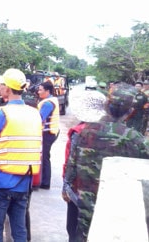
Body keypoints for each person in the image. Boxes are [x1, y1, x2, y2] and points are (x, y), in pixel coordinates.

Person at [63, 83, 149, 241]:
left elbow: (71, 165)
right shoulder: (136, 140)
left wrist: (66, 187)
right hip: (115, 211)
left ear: (106, 106)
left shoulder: (86, 131)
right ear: (130, 112)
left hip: (84, 207)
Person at [0, 68, 42, 242]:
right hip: (24, 183)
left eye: (1, 85)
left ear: (8, 89)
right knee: (19, 231)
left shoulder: (0, 114)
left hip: (1, 183)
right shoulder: (35, 114)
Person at [62, 90, 106, 242]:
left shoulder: (79, 132)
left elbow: (70, 162)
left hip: (79, 189)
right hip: (101, 189)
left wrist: (65, 186)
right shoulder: (109, 130)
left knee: (74, 229)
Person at [36, 81, 60, 190]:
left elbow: (39, 118)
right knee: (45, 156)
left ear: (47, 91)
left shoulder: (48, 103)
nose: (38, 92)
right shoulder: (50, 100)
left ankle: (45, 183)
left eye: (40, 90)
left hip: (48, 133)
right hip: (51, 132)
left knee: (45, 157)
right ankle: (44, 181)